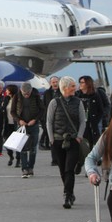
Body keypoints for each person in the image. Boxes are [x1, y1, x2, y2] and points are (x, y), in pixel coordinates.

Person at [46, 76, 85, 209]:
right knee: (62, 169)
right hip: (57, 141)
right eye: (73, 86)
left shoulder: (78, 102)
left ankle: (67, 195)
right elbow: (49, 121)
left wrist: (79, 136)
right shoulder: (54, 103)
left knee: (69, 169)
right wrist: (51, 138)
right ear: (65, 88)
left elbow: (82, 121)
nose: (76, 88)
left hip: (73, 140)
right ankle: (70, 191)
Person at [12, 82, 44, 177]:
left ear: (30, 91)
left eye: (28, 93)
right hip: (22, 125)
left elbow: (42, 110)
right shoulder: (16, 96)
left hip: (33, 125)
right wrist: (19, 120)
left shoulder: (36, 96)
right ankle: (24, 169)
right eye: (24, 93)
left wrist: (35, 120)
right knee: (23, 148)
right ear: (21, 91)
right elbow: (12, 111)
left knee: (33, 148)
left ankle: (31, 167)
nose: (26, 95)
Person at [76, 75, 104, 149]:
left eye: (82, 82)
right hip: (80, 125)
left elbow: (101, 110)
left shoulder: (95, 95)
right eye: (80, 82)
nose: (80, 84)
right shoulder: (77, 95)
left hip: (91, 125)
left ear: (88, 84)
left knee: (91, 145)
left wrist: (95, 121)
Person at [40, 75, 60, 152]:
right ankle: (42, 143)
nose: (55, 84)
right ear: (50, 83)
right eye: (53, 82)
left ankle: (50, 144)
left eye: (56, 82)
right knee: (46, 129)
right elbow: (44, 104)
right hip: (48, 114)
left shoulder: (61, 92)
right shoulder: (47, 93)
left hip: (58, 114)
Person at [2, 85, 20, 167]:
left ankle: (18, 160)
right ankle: (11, 156)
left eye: (7, 90)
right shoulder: (7, 99)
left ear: (11, 90)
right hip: (7, 123)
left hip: (16, 124)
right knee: (7, 142)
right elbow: (2, 109)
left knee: (17, 143)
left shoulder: (18, 99)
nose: (6, 91)